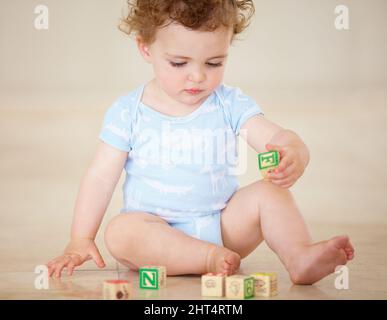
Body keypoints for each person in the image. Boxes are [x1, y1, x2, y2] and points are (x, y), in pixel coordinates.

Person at [47, 0, 354, 285]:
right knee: (120, 232)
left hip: (222, 227)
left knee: (271, 193)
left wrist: (295, 149)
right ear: (145, 48)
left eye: (214, 63)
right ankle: (206, 258)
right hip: (154, 235)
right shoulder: (128, 111)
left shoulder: (229, 103)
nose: (197, 76)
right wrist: (81, 237)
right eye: (179, 63)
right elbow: (101, 177)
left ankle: (298, 255)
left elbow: (273, 137)